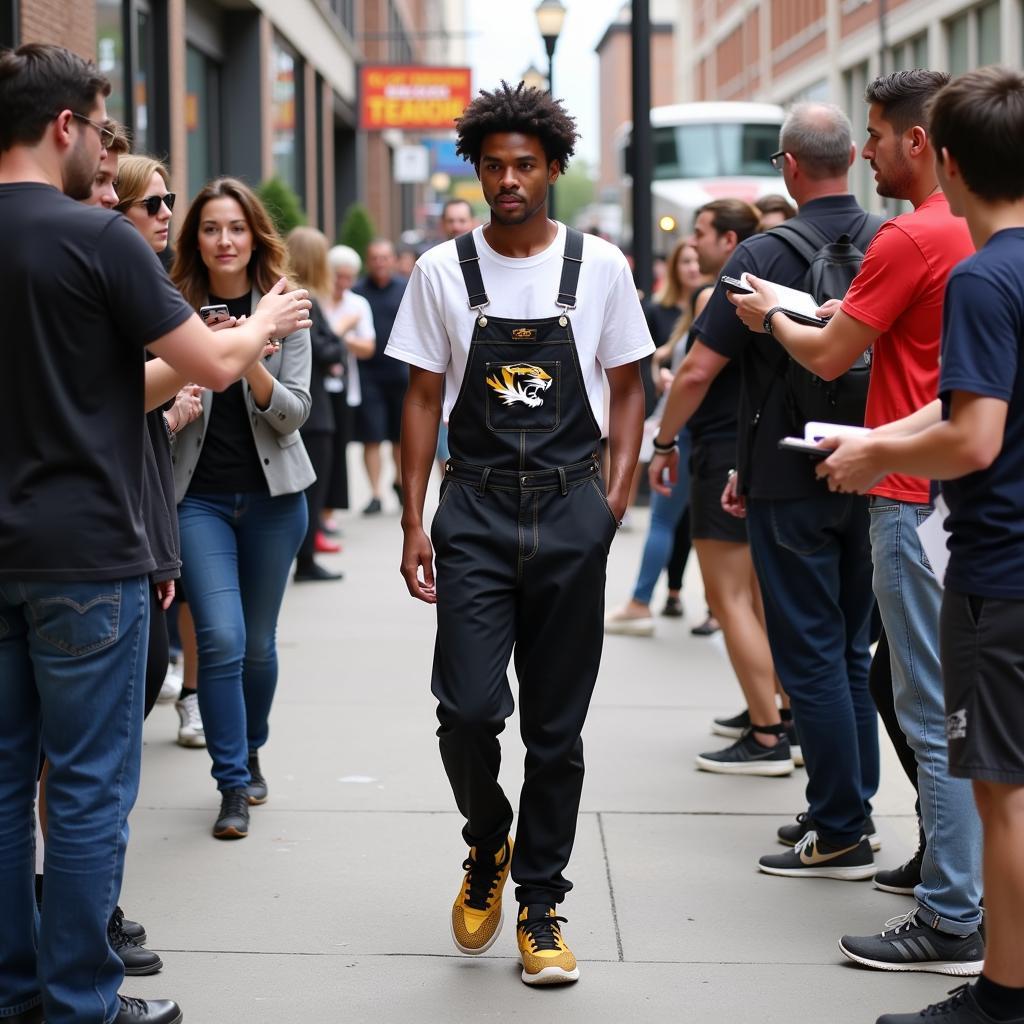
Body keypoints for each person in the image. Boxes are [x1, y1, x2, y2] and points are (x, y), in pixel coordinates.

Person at [0, 42, 310, 1024]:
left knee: (7, 787)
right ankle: (81, 1002)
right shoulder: (100, 242)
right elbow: (210, 365)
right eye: (96, 127)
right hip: (88, 552)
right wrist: (263, 323)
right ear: (64, 127)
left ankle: (13, 992)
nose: (102, 147)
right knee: (87, 789)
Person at [387, 80, 651, 986]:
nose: (508, 179)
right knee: (465, 707)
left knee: (556, 726)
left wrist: (612, 504)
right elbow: (422, 396)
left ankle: (540, 903)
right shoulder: (439, 271)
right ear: (477, 167)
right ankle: (487, 838)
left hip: (572, 507)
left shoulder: (602, 268)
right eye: (494, 165)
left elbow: (628, 385)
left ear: (552, 169)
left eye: (524, 165)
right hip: (475, 511)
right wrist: (414, 514)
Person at [731, 69, 983, 973]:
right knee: (903, 686)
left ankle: (955, 913)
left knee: (928, 706)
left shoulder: (915, 235)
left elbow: (833, 351)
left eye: (878, 134)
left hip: (914, 497)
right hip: (954, 496)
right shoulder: (975, 235)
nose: (867, 152)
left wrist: (772, 319)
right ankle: (950, 869)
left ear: (921, 143)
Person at [816, 65, 1024, 1024]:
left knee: (997, 786)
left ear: (942, 157)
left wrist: (872, 459)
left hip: (996, 563)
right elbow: (964, 405)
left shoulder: (986, 274)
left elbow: (973, 435)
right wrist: (881, 441)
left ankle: (986, 973)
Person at [651, 102, 881, 879]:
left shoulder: (761, 254)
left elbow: (697, 370)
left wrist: (659, 439)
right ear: (852, 156)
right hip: (875, 463)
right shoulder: (891, 241)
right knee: (851, 648)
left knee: (809, 652)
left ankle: (840, 825)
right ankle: (843, 808)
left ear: (787, 166)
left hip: (787, 471)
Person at [170, 177, 315, 841]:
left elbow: (293, 416)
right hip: (195, 501)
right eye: (209, 228)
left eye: (235, 227)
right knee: (220, 639)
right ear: (194, 240)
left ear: (254, 234)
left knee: (257, 645)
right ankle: (231, 782)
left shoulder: (286, 308)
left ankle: (252, 748)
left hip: (273, 503)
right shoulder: (167, 306)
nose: (223, 240)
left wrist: (250, 356)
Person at [643, 200, 794, 776]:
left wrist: (662, 443)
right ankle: (780, 712)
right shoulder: (769, 293)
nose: (692, 242)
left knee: (730, 600)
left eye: (701, 233)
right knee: (757, 598)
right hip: (752, 449)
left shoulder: (718, 296)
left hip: (720, 453)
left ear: (729, 240)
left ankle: (766, 735)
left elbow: (697, 374)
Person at [605, 237, 705, 636]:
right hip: (682, 425)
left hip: (690, 429)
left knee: (674, 521)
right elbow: (649, 360)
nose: (694, 266)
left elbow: (696, 373)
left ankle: (643, 600)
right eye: (687, 260)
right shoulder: (675, 307)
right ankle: (654, 598)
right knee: (675, 521)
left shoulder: (712, 299)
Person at [287, 226, 347, 582]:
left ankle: (306, 556)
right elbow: (324, 350)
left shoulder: (298, 297)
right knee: (310, 490)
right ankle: (305, 560)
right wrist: (339, 341)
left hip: (304, 407)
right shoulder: (303, 298)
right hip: (311, 410)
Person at [321, 245, 376, 529]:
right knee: (319, 448)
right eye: (338, 276)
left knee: (338, 448)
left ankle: (329, 511)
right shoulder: (316, 300)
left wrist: (336, 339)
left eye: (349, 277)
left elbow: (368, 347)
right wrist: (341, 330)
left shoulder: (357, 305)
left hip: (345, 386)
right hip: (317, 388)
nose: (343, 283)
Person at [353, 239, 408, 514]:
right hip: (368, 375)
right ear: (368, 261)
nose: (379, 263)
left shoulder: (406, 288)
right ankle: (375, 493)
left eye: (385, 258)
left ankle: (399, 483)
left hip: (401, 373)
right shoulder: (357, 292)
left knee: (400, 438)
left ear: (394, 261)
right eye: (374, 258)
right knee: (371, 436)